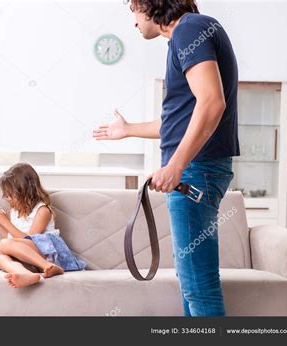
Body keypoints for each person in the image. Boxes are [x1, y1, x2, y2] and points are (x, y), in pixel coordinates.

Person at [93, 0, 239, 316]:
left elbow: (212, 103)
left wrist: (176, 165)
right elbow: (182, 120)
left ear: (150, 4)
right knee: (193, 288)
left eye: (133, 10)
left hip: (195, 170)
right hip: (198, 169)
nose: (133, 21)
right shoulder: (189, 33)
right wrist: (129, 129)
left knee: (199, 289)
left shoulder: (189, 29)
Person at [0, 162, 86, 288]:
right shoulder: (14, 211)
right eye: (6, 194)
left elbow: (29, 240)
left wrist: (5, 222)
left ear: (26, 190)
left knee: (4, 245)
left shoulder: (42, 210)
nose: (8, 198)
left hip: (46, 253)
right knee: (1, 259)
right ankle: (26, 274)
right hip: (31, 259)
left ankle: (49, 266)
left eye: (11, 194)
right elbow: (9, 238)